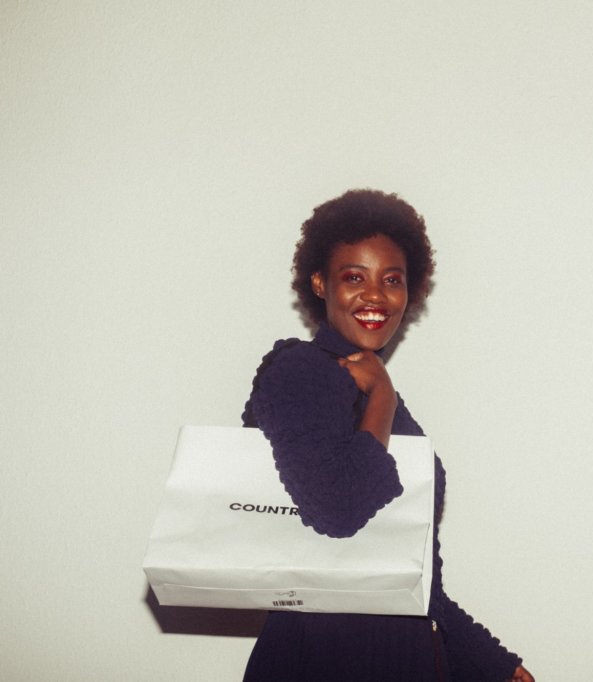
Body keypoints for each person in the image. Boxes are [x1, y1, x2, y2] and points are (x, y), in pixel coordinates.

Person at [241, 189, 535, 682]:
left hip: (407, 654)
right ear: (320, 282)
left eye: (392, 279)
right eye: (354, 276)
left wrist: (492, 663)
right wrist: (381, 396)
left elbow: (413, 576)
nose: (375, 296)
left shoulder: (386, 403)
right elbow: (339, 509)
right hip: (324, 658)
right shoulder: (300, 372)